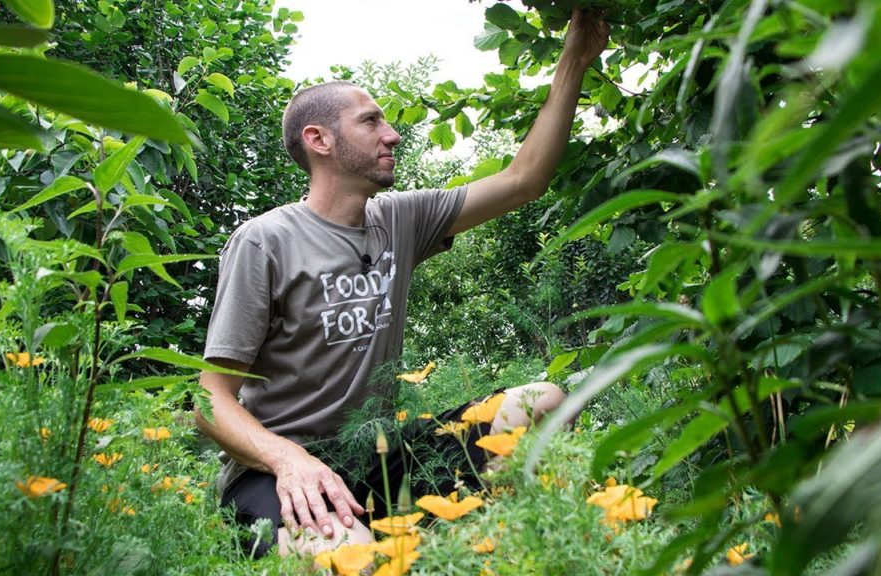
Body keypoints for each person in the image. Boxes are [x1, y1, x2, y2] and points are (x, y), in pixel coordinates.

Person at [195, 8, 610, 559]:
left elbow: (523, 180)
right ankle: (355, 538)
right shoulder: (264, 241)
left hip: (379, 454)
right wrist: (287, 459)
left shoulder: (401, 218)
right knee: (357, 561)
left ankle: (486, 547)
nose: (392, 134)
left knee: (545, 401)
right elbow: (210, 398)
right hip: (280, 472)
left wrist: (574, 59)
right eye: (371, 122)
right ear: (319, 139)